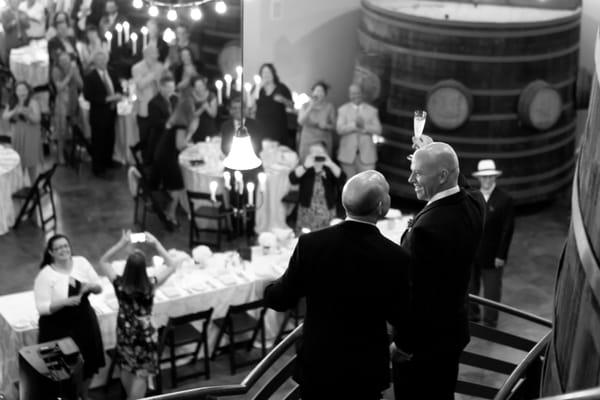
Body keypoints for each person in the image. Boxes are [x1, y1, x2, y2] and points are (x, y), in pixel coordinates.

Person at [264, 170, 411, 400]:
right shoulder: (395, 257)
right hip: (365, 370)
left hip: (318, 365)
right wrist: (403, 345)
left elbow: (280, 299)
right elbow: (402, 315)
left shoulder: (311, 244)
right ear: (382, 206)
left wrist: (269, 288)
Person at [392, 142, 485, 400]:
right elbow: (461, 185)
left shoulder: (425, 230)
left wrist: (403, 344)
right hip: (453, 332)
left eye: (418, 173)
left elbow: (413, 294)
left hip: (422, 345)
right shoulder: (476, 204)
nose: (411, 179)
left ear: (442, 176)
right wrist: (433, 150)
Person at [99, 230, 177, 400]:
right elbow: (172, 265)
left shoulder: (119, 285)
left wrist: (121, 243)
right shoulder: (150, 286)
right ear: (144, 269)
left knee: (127, 368)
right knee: (141, 375)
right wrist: (156, 243)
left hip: (125, 334)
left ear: (127, 268)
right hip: (144, 336)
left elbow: (103, 261)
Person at [34, 234, 105, 400]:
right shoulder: (45, 275)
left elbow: (99, 286)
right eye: (58, 248)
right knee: (64, 368)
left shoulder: (81, 262)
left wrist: (92, 287)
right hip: (58, 326)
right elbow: (42, 308)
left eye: (65, 246)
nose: (63, 250)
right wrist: (65, 301)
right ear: (51, 253)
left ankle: (84, 394)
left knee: (89, 360)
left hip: (84, 321)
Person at [469, 159, 515, 327]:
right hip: (473, 252)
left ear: (495, 178)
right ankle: (472, 316)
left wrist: (501, 255)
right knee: (471, 288)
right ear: (479, 179)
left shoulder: (505, 199)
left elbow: (507, 230)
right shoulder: (473, 197)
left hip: (493, 253)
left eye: (490, 177)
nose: (487, 180)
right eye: (484, 177)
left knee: (492, 290)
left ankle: (490, 320)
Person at [153, 93, 194, 227]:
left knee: (173, 185)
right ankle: (170, 215)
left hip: (162, 155)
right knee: (177, 186)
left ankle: (169, 212)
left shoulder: (174, 120)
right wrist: (190, 143)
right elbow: (179, 145)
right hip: (168, 158)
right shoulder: (181, 124)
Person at [289, 142, 345, 233]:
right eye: (313, 152)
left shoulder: (329, 168)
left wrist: (330, 164)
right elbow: (292, 178)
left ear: (326, 153)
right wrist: (305, 167)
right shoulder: (306, 168)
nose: (316, 154)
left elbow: (342, 178)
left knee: (326, 234)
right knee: (306, 235)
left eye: (319, 152)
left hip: (327, 209)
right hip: (307, 209)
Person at [83, 49, 122, 176]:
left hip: (111, 111)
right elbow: (88, 96)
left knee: (110, 138)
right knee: (98, 141)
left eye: (104, 59)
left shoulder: (112, 72)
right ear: (95, 62)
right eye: (99, 60)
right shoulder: (90, 76)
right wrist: (107, 99)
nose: (102, 62)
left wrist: (119, 95)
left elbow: (118, 87)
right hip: (98, 114)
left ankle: (108, 161)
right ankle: (98, 168)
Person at [336, 84, 381, 179]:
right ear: (349, 95)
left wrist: (364, 126)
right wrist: (354, 125)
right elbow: (339, 129)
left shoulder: (372, 111)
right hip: (347, 155)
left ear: (362, 94)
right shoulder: (342, 110)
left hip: (367, 156)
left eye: (357, 93)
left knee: (367, 185)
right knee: (348, 185)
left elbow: (378, 130)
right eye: (352, 93)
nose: (355, 96)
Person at [2, 81, 42, 183]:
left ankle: (34, 189)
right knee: (19, 164)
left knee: (31, 164)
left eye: (24, 90)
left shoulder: (33, 102)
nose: (21, 92)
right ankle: (20, 188)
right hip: (17, 135)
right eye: (19, 90)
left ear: (28, 91)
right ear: (15, 92)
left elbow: (37, 119)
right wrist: (15, 111)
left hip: (31, 135)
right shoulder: (12, 102)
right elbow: (5, 116)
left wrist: (27, 114)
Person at [131, 44, 166, 157]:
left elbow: (163, 85)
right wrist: (152, 74)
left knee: (157, 134)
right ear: (147, 55)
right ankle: (145, 160)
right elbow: (140, 85)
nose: (157, 56)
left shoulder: (160, 66)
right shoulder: (136, 68)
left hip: (159, 106)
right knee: (145, 135)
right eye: (155, 53)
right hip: (144, 106)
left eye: (157, 53)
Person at [52, 50, 83, 165]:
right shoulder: (56, 70)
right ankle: (60, 155)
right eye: (62, 61)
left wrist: (75, 74)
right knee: (62, 130)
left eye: (67, 60)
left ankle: (72, 152)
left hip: (73, 99)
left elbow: (81, 85)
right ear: (59, 62)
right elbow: (59, 88)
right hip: (62, 101)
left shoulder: (74, 69)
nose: (65, 63)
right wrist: (69, 75)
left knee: (74, 126)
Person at [254, 63, 294, 148]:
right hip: (261, 127)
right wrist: (257, 88)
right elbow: (250, 104)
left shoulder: (281, 87)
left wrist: (283, 100)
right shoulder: (258, 88)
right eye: (264, 73)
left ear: (273, 74)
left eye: (268, 72)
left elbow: (291, 105)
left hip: (277, 128)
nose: (266, 75)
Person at [297, 81, 336, 161]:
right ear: (313, 92)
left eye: (321, 91)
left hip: (322, 142)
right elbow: (300, 121)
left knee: (321, 166)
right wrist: (311, 106)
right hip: (307, 141)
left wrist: (326, 126)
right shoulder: (305, 105)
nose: (318, 93)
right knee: (306, 166)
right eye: (316, 90)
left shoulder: (329, 107)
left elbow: (335, 126)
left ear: (325, 94)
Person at [145, 75, 176, 166]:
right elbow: (156, 123)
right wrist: (173, 122)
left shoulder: (175, 99)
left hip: (173, 137)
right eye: (169, 87)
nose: (172, 90)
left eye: (173, 87)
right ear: (161, 87)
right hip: (160, 139)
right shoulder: (154, 103)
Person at [188, 75, 218, 143]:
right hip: (196, 128)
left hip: (209, 128)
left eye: (201, 85)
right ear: (193, 88)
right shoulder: (190, 97)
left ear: (205, 85)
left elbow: (213, 114)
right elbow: (192, 115)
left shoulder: (211, 95)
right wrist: (202, 108)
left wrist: (207, 107)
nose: (200, 88)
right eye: (197, 86)